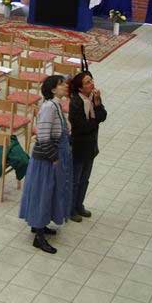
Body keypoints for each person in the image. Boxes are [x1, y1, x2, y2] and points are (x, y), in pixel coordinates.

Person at [19, 75, 73, 254]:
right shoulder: (49, 107)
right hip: (46, 160)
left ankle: (39, 225)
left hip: (53, 157)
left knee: (49, 194)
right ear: (53, 89)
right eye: (61, 84)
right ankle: (39, 236)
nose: (65, 86)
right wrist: (54, 157)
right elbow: (42, 136)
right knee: (44, 194)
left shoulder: (56, 105)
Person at [68, 71, 107, 222]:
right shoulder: (76, 102)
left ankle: (79, 205)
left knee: (85, 179)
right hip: (79, 146)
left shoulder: (92, 98)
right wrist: (95, 121)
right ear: (80, 88)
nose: (92, 84)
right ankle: (71, 209)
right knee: (75, 180)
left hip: (90, 146)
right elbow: (82, 127)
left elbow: (103, 115)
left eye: (91, 80)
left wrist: (97, 103)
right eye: (87, 82)